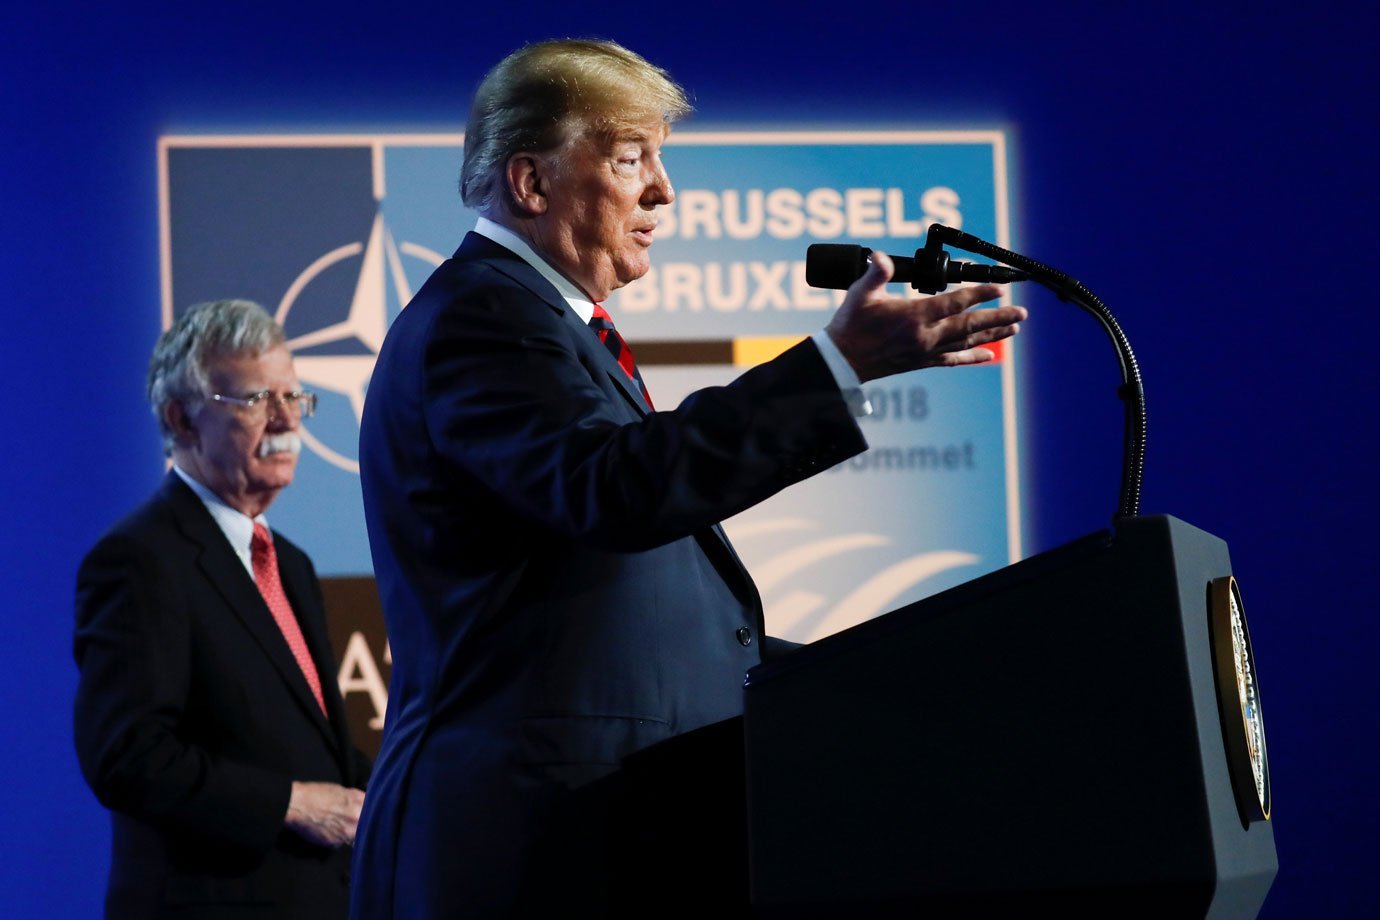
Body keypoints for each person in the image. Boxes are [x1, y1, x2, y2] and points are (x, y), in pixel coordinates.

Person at [350, 39, 1026, 917]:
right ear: (531, 181)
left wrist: (884, 684)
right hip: (523, 847)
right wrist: (836, 367)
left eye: (658, 159)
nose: (663, 190)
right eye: (630, 158)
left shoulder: (543, 324)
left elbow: (629, 603)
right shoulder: (481, 317)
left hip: (595, 834)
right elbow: (615, 488)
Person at [74, 299, 372, 919]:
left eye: (294, 397)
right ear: (182, 418)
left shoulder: (289, 563)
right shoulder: (140, 560)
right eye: (258, 399)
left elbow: (317, 753)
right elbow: (127, 757)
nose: (286, 420)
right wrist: (292, 804)